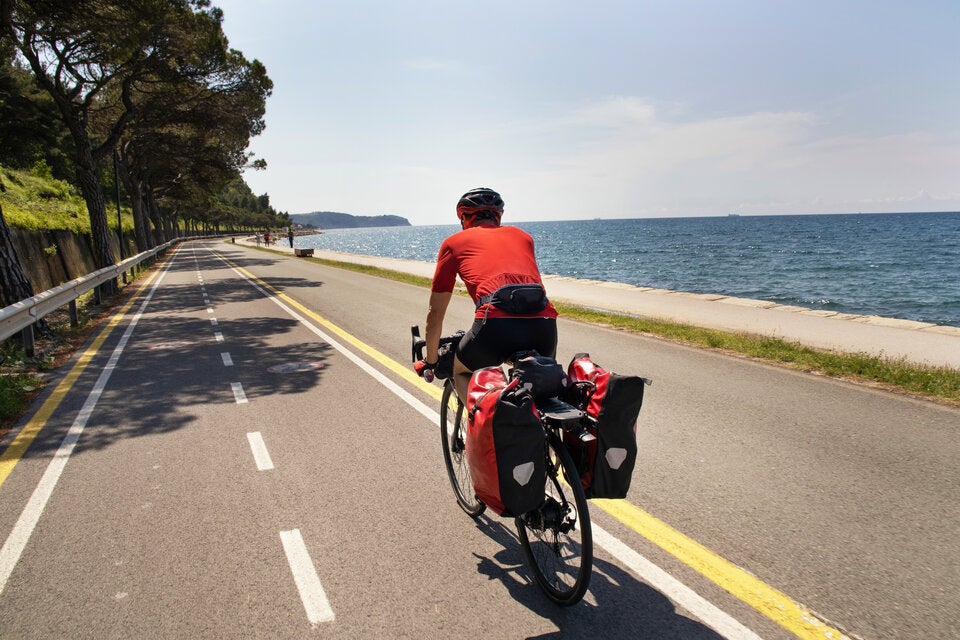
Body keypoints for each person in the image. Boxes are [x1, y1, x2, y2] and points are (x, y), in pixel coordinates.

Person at [414, 187, 558, 401]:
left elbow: (435, 313)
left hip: (495, 326)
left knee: (461, 371)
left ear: (464, 218)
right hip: (544, 325)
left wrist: (431, 361)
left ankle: (482, 430)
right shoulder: (524, 237)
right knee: (542, 388)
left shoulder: (453, 243)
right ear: (498, 217)